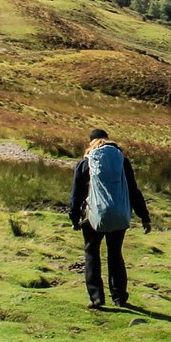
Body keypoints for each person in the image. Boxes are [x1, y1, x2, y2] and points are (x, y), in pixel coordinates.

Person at [68, 129, 151, 309]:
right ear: (107, 140)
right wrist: (144, 216)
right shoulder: (122, 161)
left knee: (92, 254)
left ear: (91, 142)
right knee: (115, 255)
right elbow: (133, 190)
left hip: (92, 216)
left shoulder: (85, 162)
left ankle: (96, 297)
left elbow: (76, 193)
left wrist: (74, 217)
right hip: (119, 214)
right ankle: (120, 297)